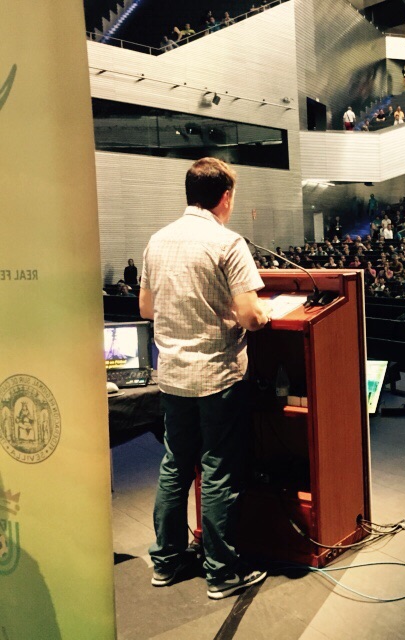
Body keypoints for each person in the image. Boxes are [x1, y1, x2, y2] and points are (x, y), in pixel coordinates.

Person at [139, 158, 268, 599]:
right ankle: (222, 573)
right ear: (225, 196)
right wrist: (260, 314)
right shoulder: (227, 242)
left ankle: (167, 561)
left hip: (172, 376)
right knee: (216, 470)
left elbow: (146, 309)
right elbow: (251, 316)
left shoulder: (156, 241)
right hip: (216, 376)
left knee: (175, 465)